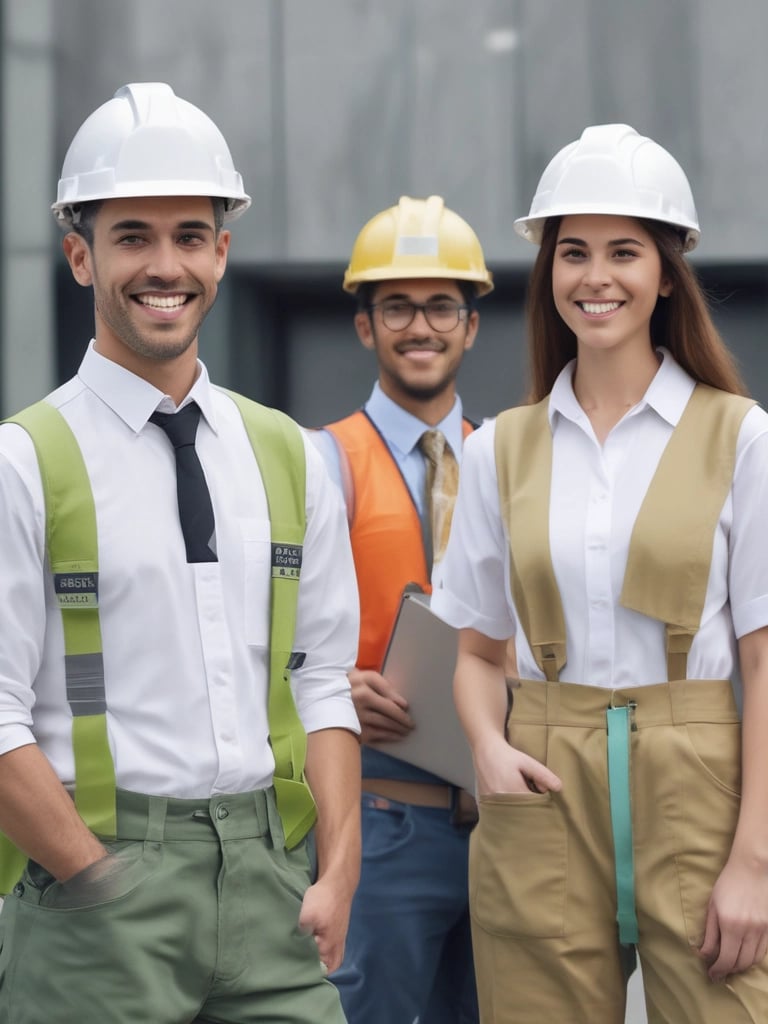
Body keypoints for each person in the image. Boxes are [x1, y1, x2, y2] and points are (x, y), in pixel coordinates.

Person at [0, 82, 361, 1024]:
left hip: (274, 891)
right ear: (79, 256)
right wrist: (90, 875)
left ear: (223, 252)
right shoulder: (22, 462)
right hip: (98, 890)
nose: (166, 266)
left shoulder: (287, 452)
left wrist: (340, 867)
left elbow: (322, 678)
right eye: (133, 237)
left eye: (190, 236)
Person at [432, 123, 768, 1023]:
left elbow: (766, 664)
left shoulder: (742, 437)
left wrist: (755, 861)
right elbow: (472, 650)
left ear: (667, 272)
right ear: (548, 272)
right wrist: (488, 752)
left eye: (625, 251)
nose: (596, 276)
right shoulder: (501, 447)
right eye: (572, 252)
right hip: (539, 778)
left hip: (700, 781)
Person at [311, 195, 493, 1024]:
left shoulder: (510, 460)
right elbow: (263, 629)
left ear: (471, 325)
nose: (420, 326)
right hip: (385, 822)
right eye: (396, 307)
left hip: (507, 830)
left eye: (440, 306)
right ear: (364, 326)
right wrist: (328, 683)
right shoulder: (321, 462)